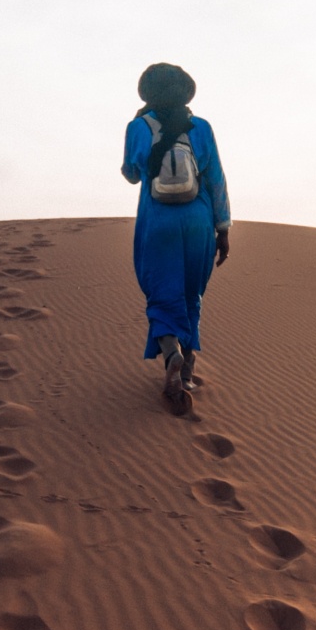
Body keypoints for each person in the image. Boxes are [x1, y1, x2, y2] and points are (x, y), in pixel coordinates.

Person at [121, 62, 230, 414]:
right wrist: (223, 228)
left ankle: (172, 353)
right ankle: (187, 373)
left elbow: (132, 175)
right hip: (199, 220)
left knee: (162, 290)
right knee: (190, 293)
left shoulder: (138, 126)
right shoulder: (201, 127)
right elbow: (216, 179)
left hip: (158, 220)